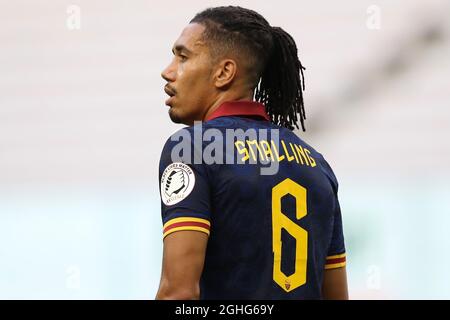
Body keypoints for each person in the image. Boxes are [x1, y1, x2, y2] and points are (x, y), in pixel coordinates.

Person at [155, 6, 348, 300]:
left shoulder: (192, 148)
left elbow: (178, 294)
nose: (168, 71)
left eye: (183, 57)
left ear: (223, 73)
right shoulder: (317, 164)